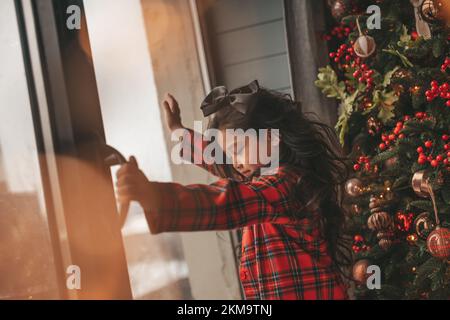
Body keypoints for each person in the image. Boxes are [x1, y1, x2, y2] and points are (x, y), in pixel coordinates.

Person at [116, 81, 351, 299]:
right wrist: (179, 131)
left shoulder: (286, 185)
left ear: (271, 138)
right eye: (230, 154)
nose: (234, 162)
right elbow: (220, 161)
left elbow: (229, 203)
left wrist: (154, 197)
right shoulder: (261, 173)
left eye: (237, 149)